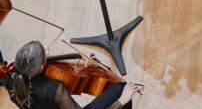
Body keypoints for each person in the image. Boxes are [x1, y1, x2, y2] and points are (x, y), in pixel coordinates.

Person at [3, 41, 141, 109]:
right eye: (45, 56)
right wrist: (121, 101)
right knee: (122, 88)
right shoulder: (55, 89)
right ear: (41, 66)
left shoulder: (12, 81)